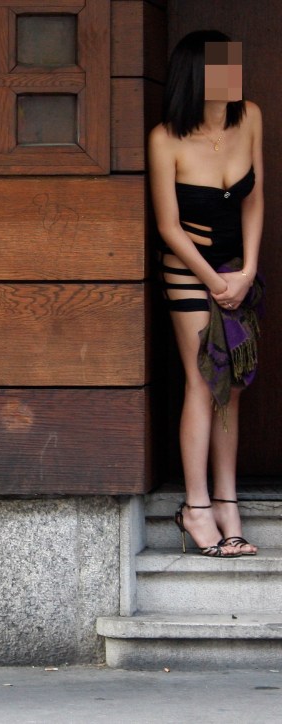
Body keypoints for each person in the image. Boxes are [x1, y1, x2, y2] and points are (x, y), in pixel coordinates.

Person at [148, 30, 264, 558]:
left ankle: (227, 503)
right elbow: (168, 226)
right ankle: (196, 509)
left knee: (233, 384)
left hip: (237, 271)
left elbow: (254, 201)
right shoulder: (166, 138)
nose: (234, 76)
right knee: (204, 380)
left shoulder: (251, 118)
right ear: (197, 76)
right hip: (187, 269)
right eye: (222, 67)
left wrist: (245, 272)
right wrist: (213, 282)